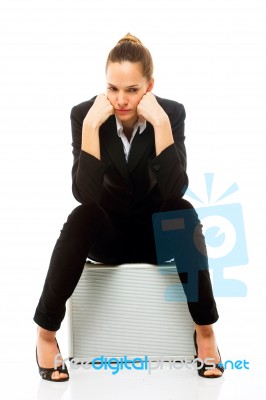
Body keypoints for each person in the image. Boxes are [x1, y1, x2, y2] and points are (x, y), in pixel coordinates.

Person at [34, 33, 224, 381]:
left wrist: (161, 124)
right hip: (108, 237)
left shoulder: (171, 113)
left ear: (149, 86)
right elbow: (86, 194)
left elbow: (173, 188)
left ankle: (206, 333)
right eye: (113, 89)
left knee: (182, 211)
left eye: (133, 90)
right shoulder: (84, 115)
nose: (121, 100)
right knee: (81, 216)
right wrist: (92, 126)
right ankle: (45, 334)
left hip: (156, 237)